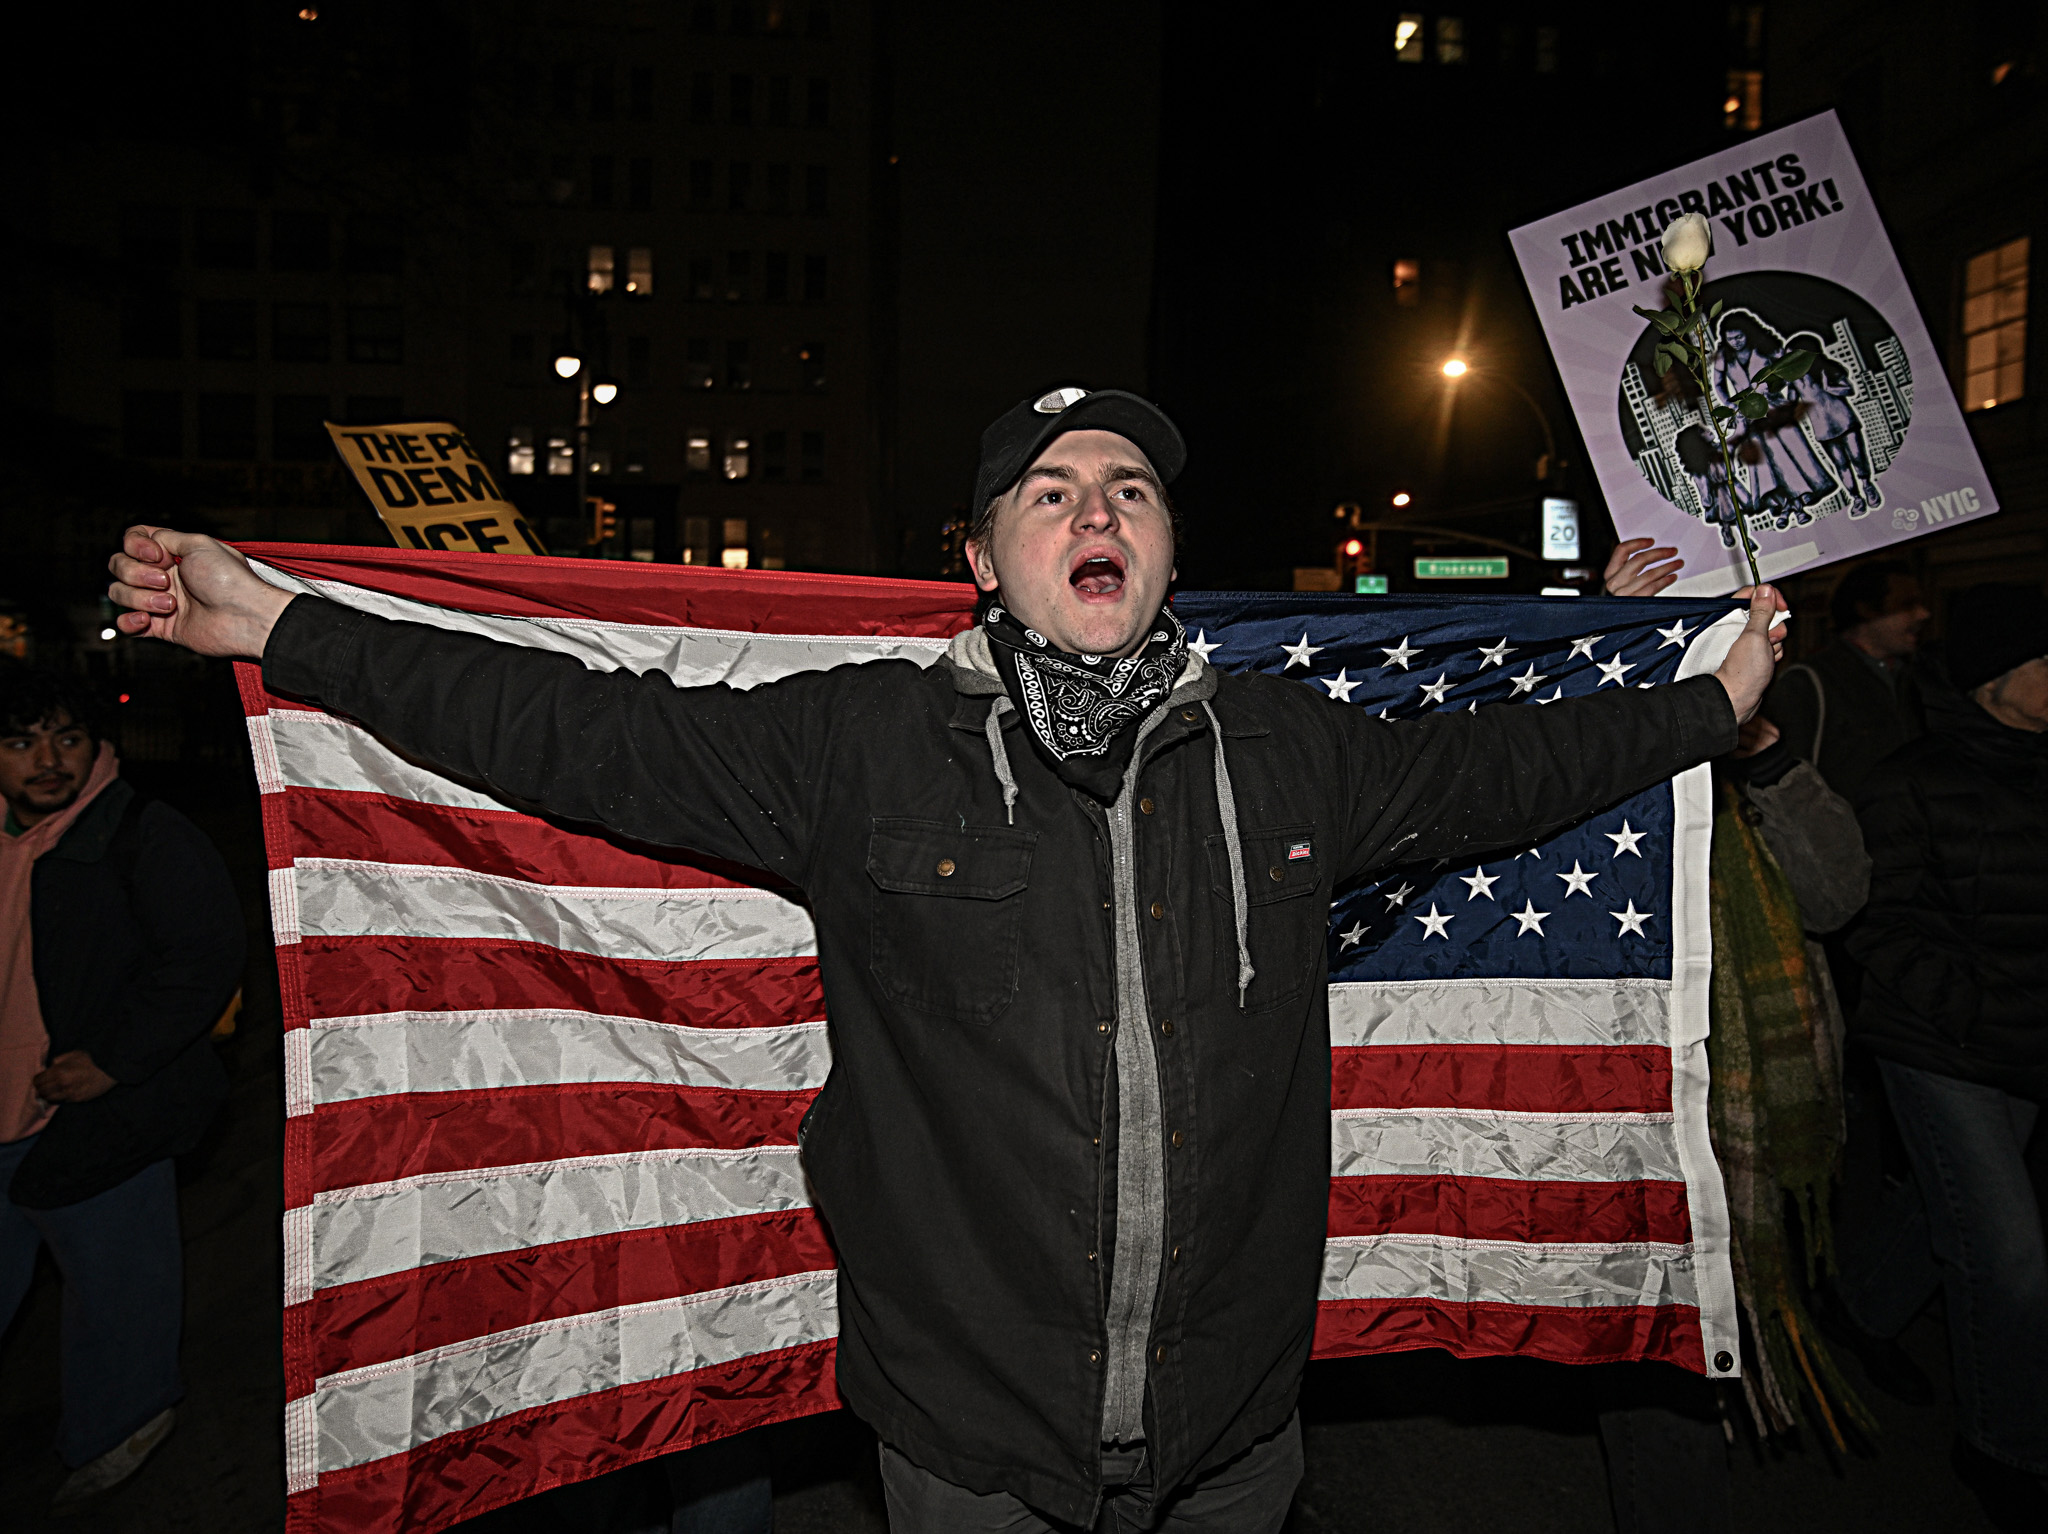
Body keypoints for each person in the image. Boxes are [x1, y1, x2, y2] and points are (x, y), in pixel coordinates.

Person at [107, 386, 1786, 1533]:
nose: (1093, 509)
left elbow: (1502, 772)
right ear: (980, 558)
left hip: (1233, 1427)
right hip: (964, 1431)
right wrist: (277, 623)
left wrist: (1700, 702)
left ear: (1164, 547)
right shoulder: (862, 747)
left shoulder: (1289, 751)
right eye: (1047, 492)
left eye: (1127, 486)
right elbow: (572, 729)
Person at [0, 668, 244, 1510]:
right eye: (21, 742)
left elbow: (206, 956)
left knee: (116, 1288)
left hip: (96, 1114)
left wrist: (112, 1060)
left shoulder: (140, 832)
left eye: (67, 739)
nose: (48, 761)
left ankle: (123, 1428)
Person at [1833, 585, 2048, 1533]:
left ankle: (1861, 1312)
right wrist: (1964, 1006)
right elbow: (1872, 921)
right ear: (1999, 679)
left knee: (1944, 1198)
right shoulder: (1910, 776)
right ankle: (2003, 1443)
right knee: (2009, 1257)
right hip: (1942, 1046)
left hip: (2028, 1046)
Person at [1766, 560, 1929, 807]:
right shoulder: (1810, 683)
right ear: (1866, 609)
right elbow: (1789, 787)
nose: (1923, 614)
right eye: (1906, 605)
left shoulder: (1918, 679)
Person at [1783, 331, 1881, 518]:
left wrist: (1831, 388)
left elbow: (1849, 389)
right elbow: (1792, 405)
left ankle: (1867, 485)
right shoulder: (1794, 380)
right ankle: (1856, 497)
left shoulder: (1826, 368)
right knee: (1841, 465)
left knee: (1858, 457)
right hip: (1823, 430)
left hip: (1844, 420)